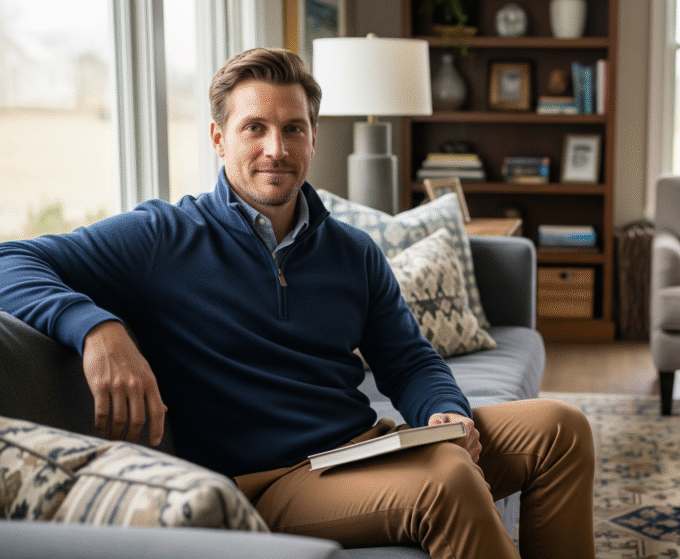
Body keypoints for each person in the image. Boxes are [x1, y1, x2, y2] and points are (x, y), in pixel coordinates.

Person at [0, 47, 595, 559]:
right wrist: (98, 329)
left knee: (561, 429)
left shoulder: (352, 251)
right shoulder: (162, 237)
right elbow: (10, 260)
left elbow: (409, 362)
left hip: (365, 445)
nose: (275, 149)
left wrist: (444, 411)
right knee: (447, 482)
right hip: (268, 480)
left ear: (313, 138)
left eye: (293, 129)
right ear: (218, 138)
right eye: (254, 127)